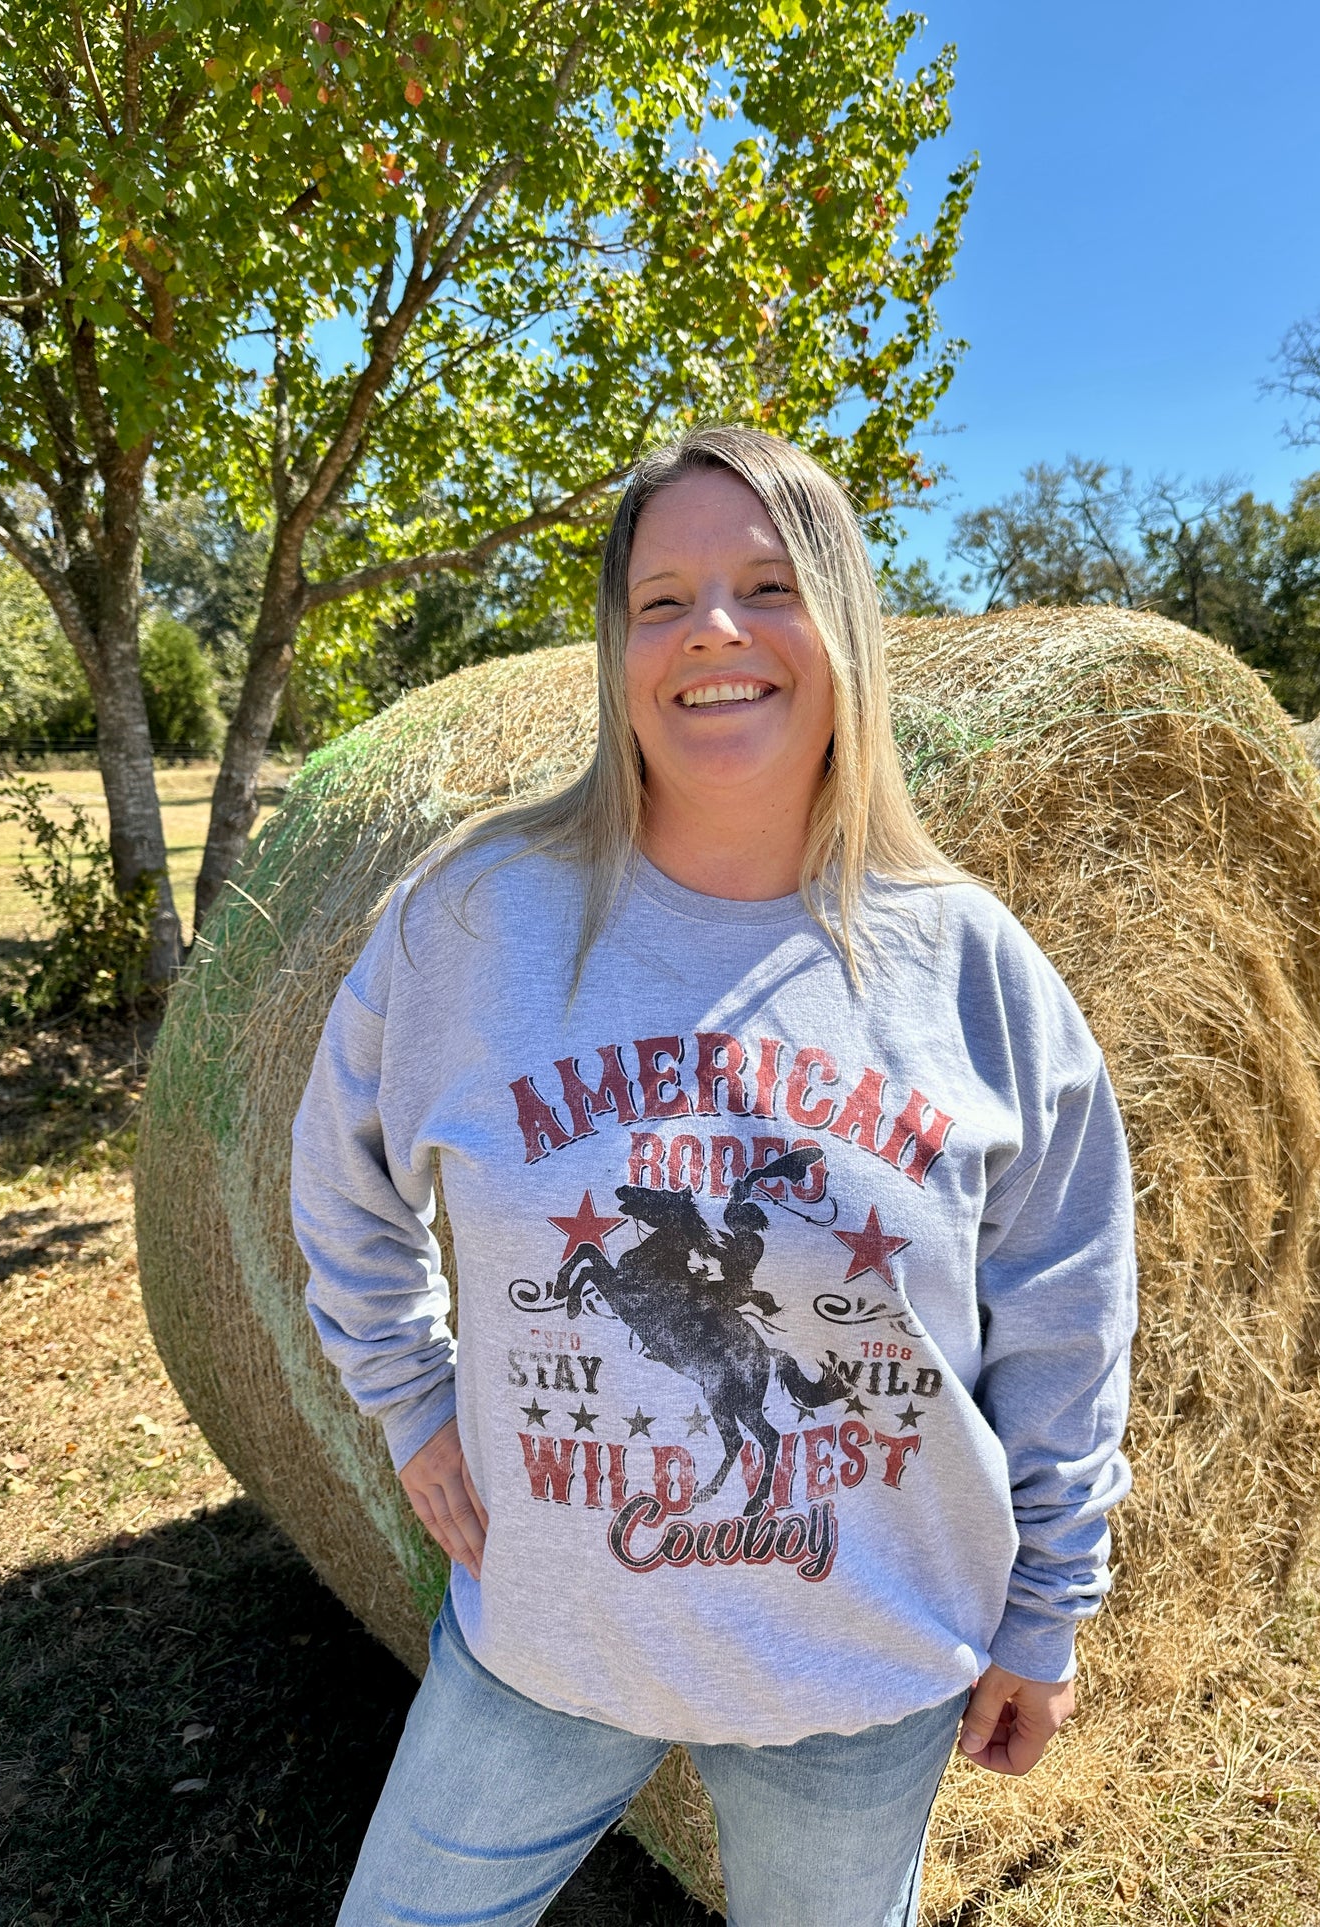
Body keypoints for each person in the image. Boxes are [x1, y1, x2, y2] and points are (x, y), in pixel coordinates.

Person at [290, 426, 1137, 1927]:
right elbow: (340, 1178)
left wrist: (1052, 1597)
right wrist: (409, 1398)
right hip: (545, 1638)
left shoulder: (971, 968)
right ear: (618, 648)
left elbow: (1067, 1298)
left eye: (765, 584)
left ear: (845, 635)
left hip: (863, 1675)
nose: (715, 632)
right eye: (663, 598)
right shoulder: (475, 923)